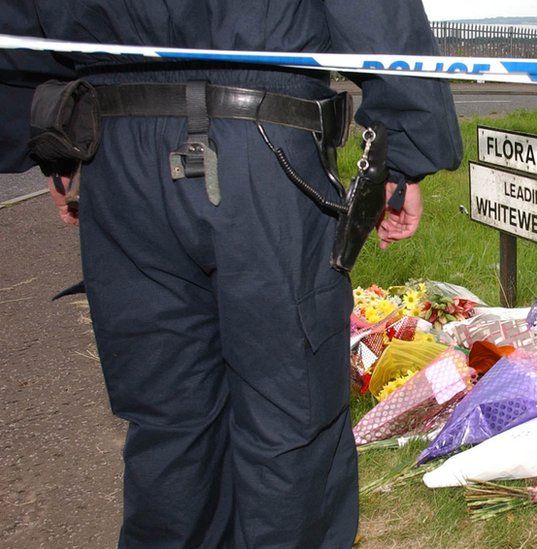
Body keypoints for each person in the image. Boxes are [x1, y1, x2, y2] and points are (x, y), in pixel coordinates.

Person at [0, 1, 462, 547]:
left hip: (119, 153)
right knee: (289, 417)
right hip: (264, 148)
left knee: (168, 423)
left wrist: (49, 143)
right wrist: (404, 154)